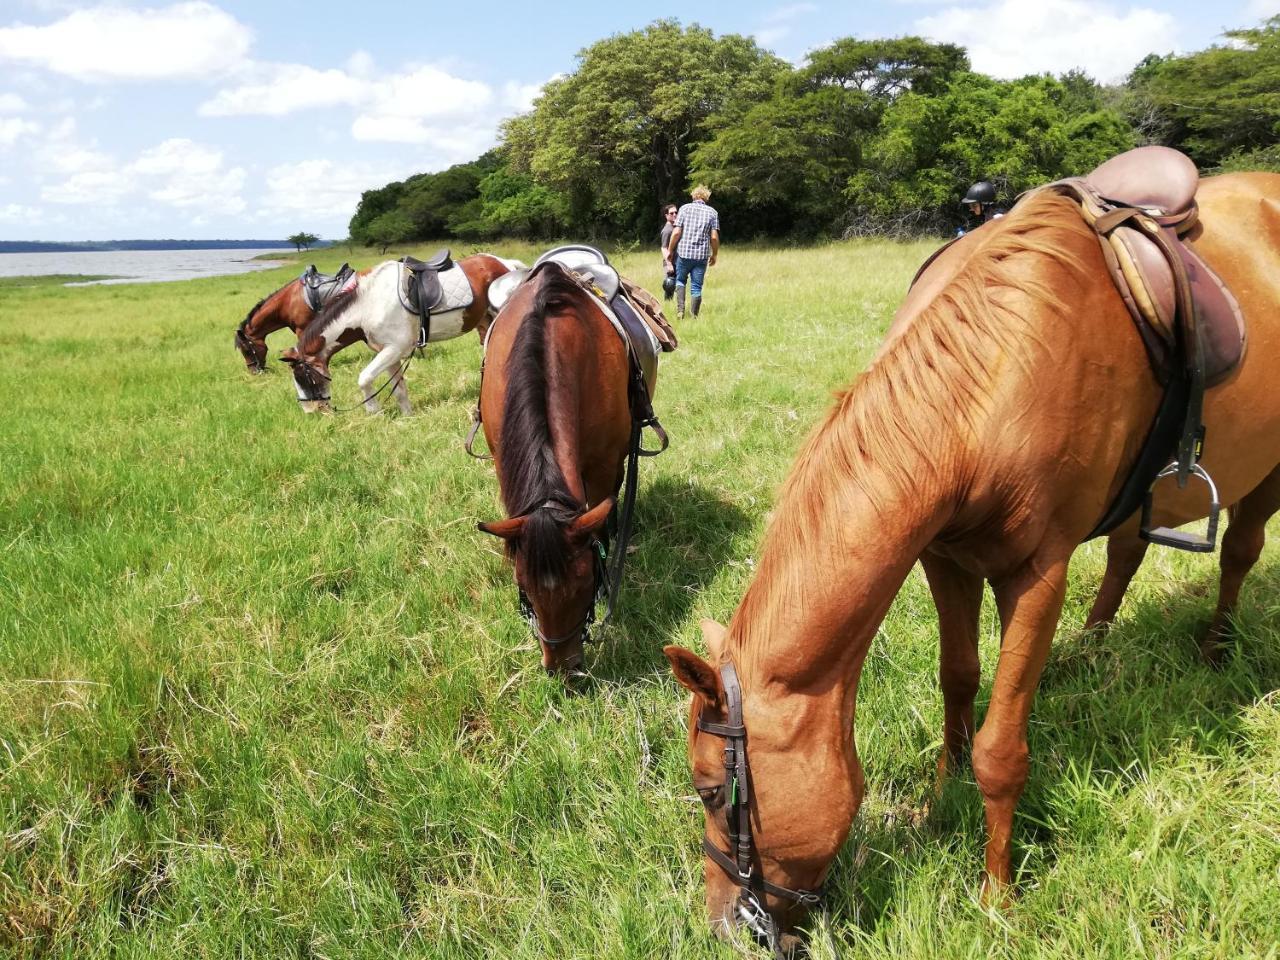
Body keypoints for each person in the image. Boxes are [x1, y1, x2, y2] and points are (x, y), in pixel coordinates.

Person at [665, 185, 720, 319]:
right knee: (696, 287)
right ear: (706, 197)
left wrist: (670, 250)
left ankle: (680, 311)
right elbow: (714, 237)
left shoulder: (684, 208)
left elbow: (676, 232)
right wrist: (714, 254)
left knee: (680, 281)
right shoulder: (712, 212)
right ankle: (694, 316)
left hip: (684, 254)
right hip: (701, 256)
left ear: (693, 196)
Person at [659, 203, 678, 300]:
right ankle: (667, 305)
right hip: (670, 263)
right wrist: (669, 264)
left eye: (676, 212)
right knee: (669, 286)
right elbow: (664, 248)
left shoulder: (674, 227)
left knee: (674, 286)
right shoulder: (667, 230)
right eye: (671, 213)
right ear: (666, 216)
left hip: (676, 262)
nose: (674, 214)